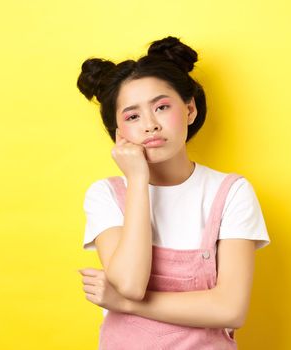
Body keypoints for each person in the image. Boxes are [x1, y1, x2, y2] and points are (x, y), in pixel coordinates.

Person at [76, 36, 270, 349]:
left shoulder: (231, 192)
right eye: (133, 116)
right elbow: (129, 283)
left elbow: (230, 309)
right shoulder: (106, 195)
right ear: (119, 133)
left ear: (190, 109)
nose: (150, 125)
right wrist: (138, 180)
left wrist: (127, 306)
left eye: (162, 107)